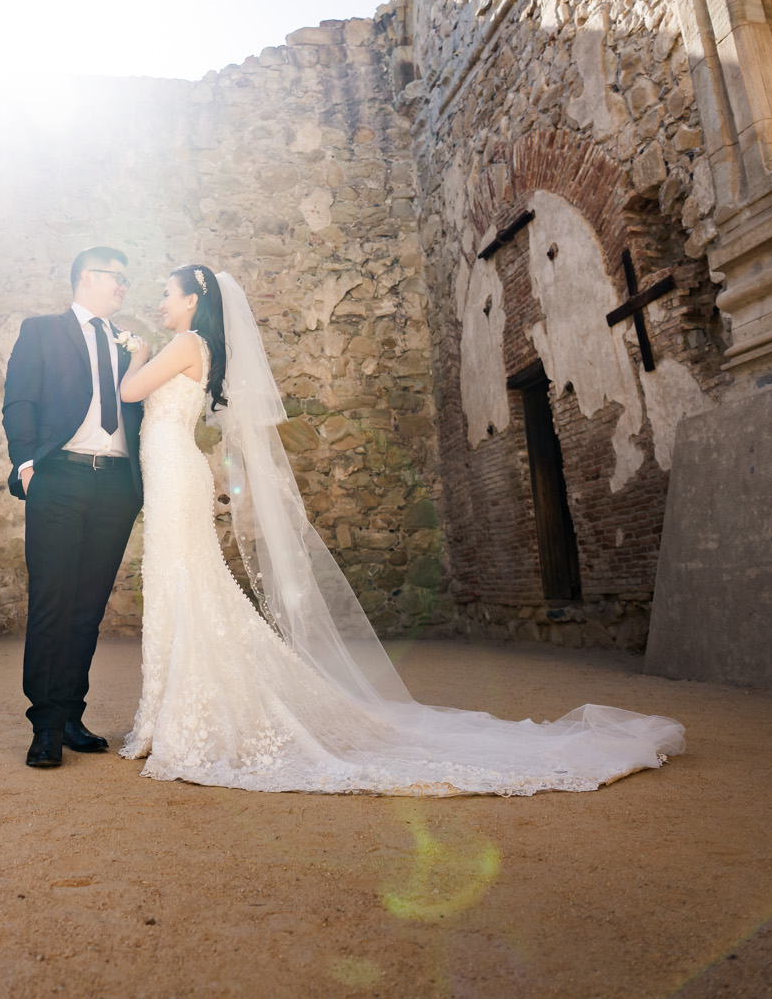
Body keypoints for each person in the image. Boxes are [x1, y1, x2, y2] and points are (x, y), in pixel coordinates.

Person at [114, 263, 686, 795]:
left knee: (184, 577)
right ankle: (174, 709)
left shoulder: (185, 343)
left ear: (193, 299)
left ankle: (186, 714)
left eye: (167, 294)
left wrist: (135, 353)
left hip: (171, 469)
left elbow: (129, 392)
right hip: (171, 468)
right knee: (183, 579)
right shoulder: (198, 344)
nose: (160, 302)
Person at [1, 246, 147, 769]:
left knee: (87, 608)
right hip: (58, 477)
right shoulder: (41, 330)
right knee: (52, 602)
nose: (124, 287)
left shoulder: (129, 343)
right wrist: (26, 465)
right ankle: (43, 725)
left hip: (115, 487)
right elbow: (19, 400)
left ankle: (69, 715)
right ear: (88, 278)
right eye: (118, 278)